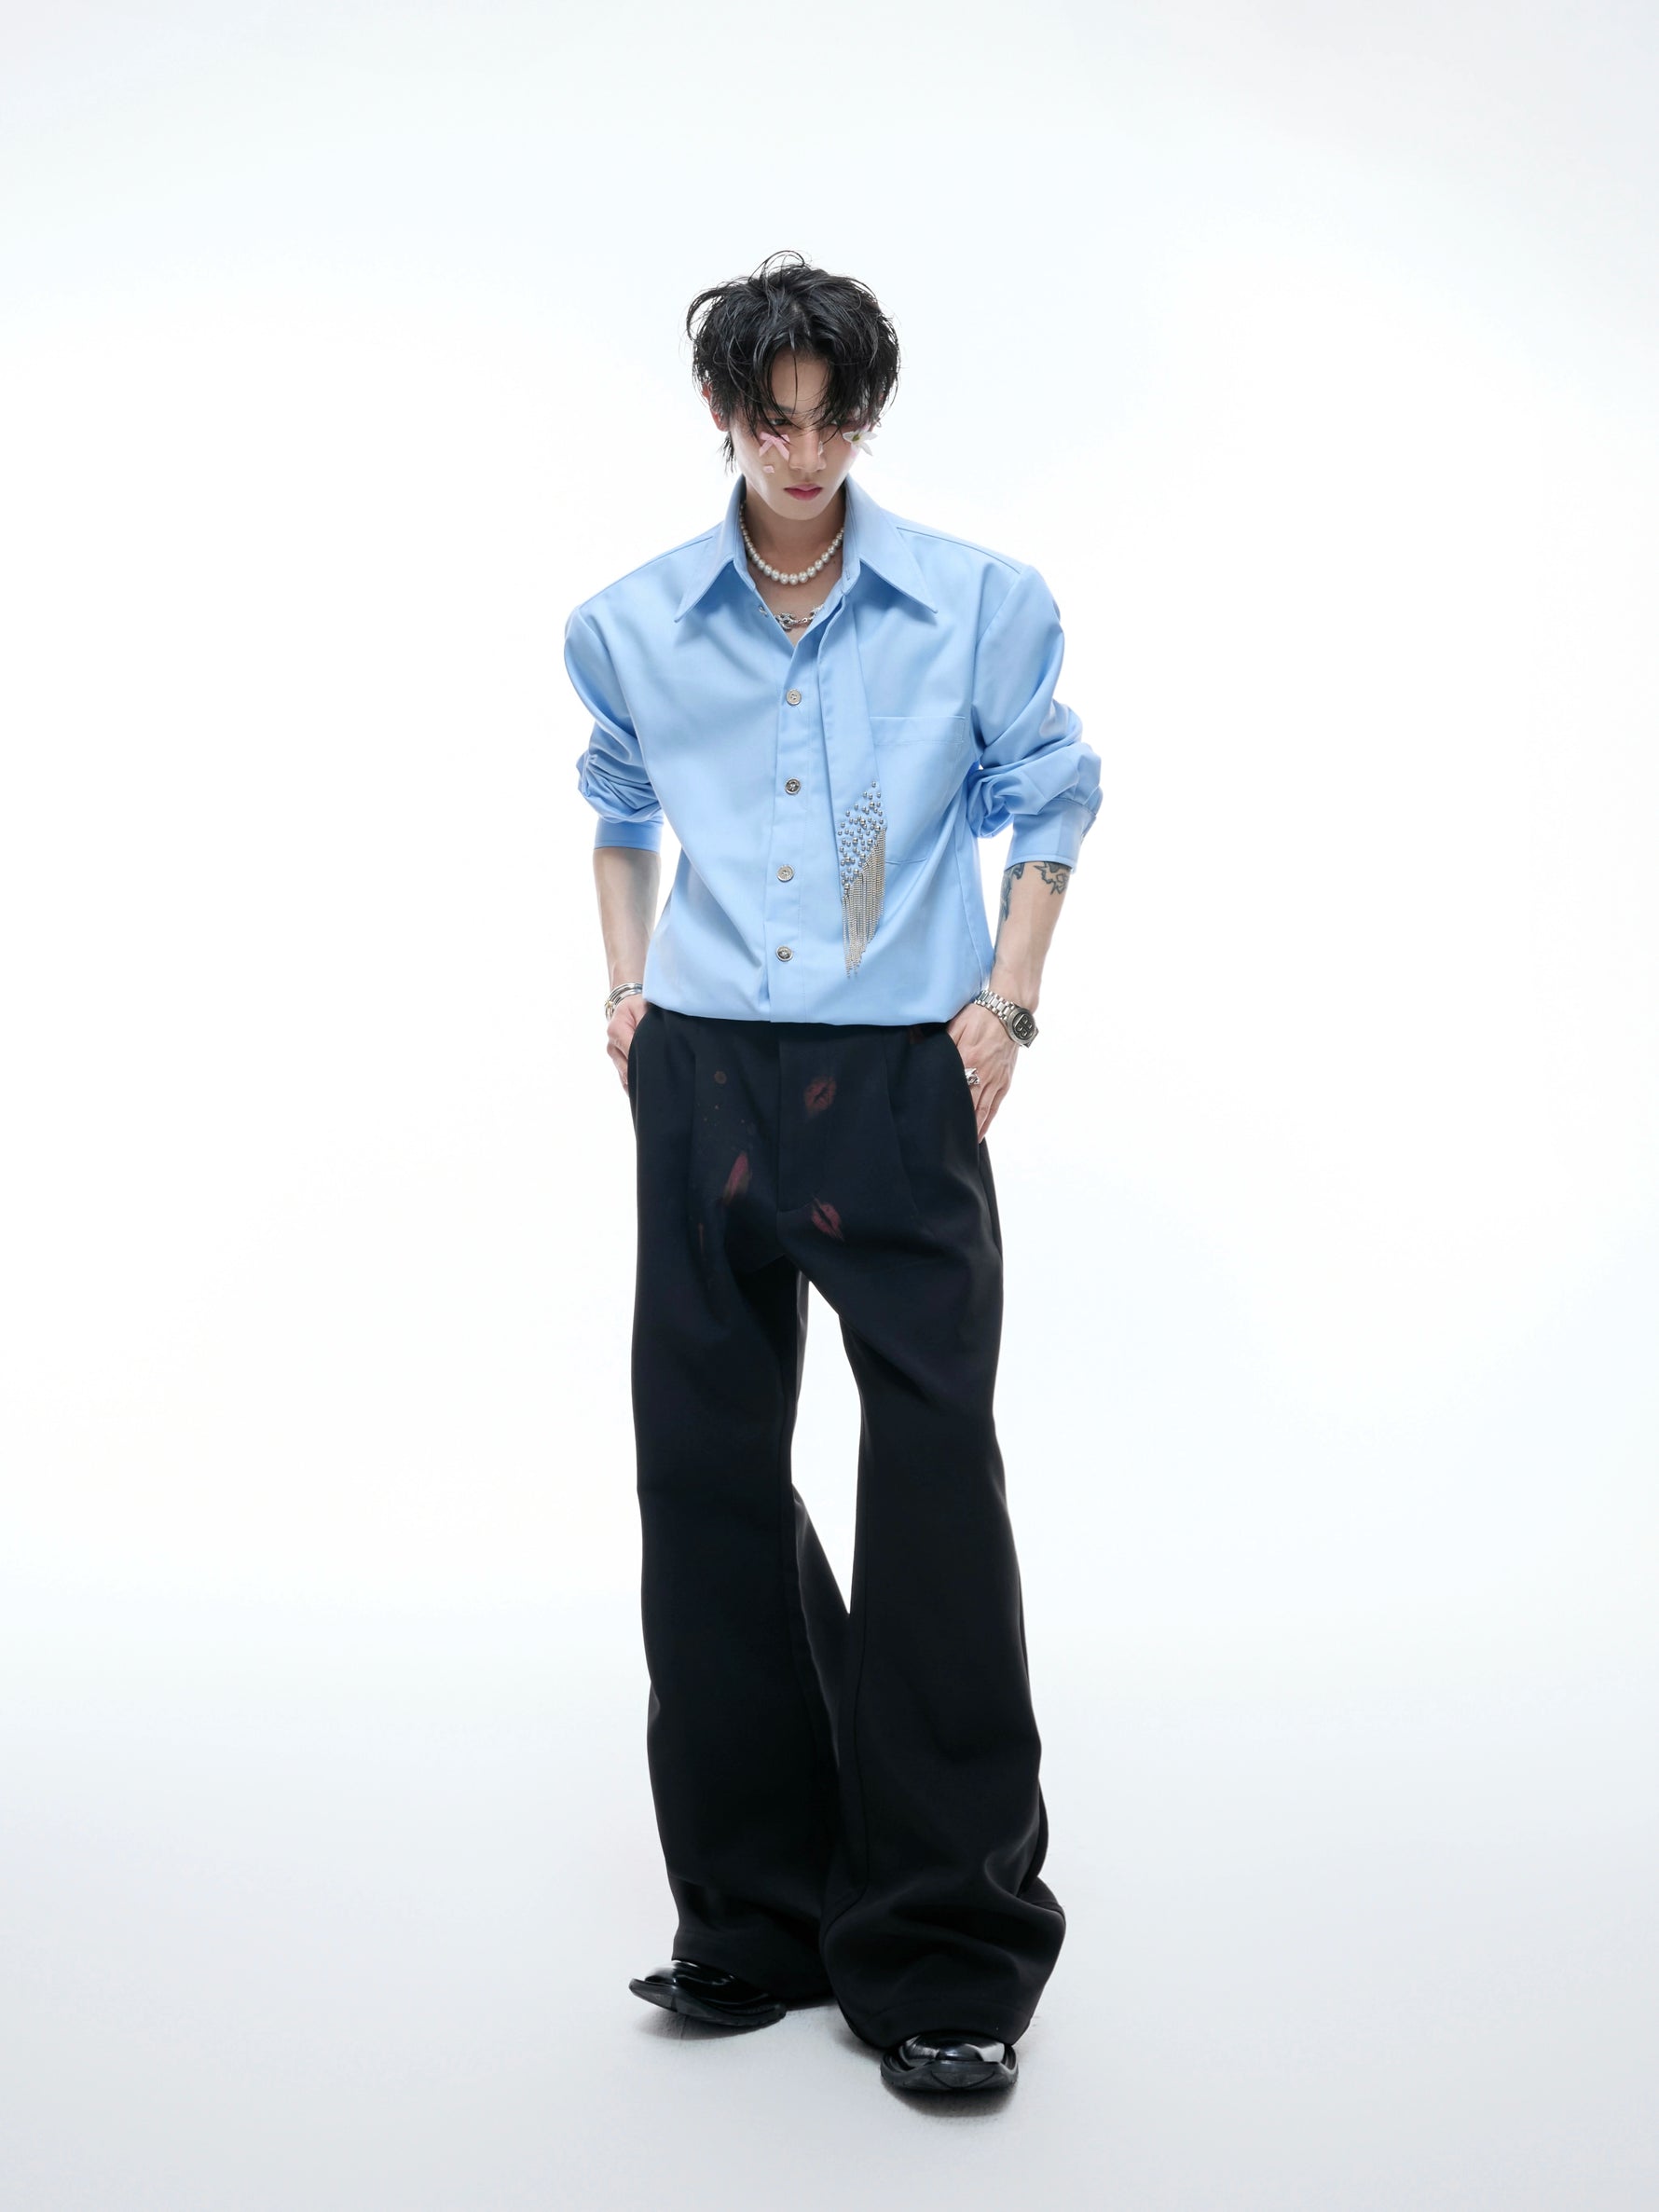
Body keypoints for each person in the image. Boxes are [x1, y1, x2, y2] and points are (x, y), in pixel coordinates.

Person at [564, 249, 1101, 2096]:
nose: (802, 452)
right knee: (705, 1473)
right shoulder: (632, 623)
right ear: (725, 413)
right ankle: (755, 1909)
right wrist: (625, 990)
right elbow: (617, 804)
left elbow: (1052, 791)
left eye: (833, 418)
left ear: (866, 415)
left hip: (897, 1077)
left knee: (932, 1476)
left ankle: (946, 1947)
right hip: (705, 1070)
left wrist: (1005, 1005)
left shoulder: (976, 606)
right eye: (771, 418)